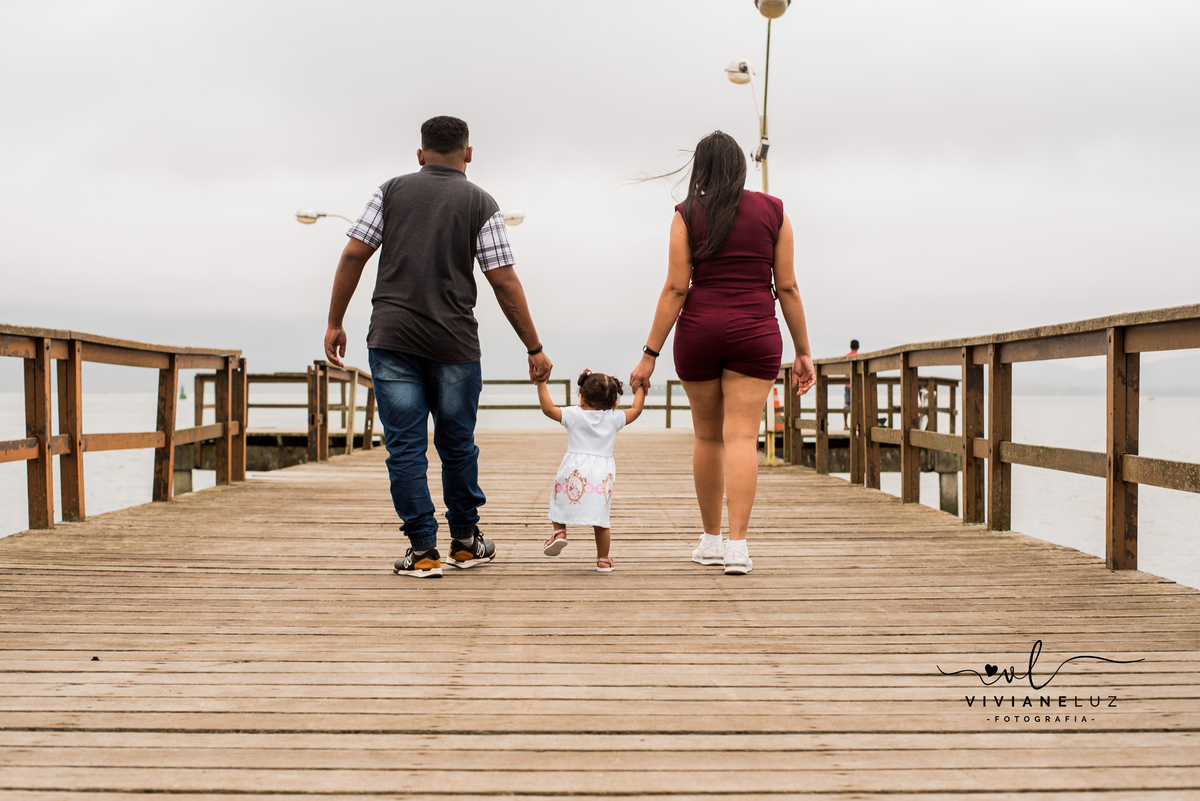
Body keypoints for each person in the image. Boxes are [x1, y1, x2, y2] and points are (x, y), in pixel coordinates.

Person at [323, 115, 552, 579]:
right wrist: (534, 346)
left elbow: (352, 253)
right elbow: (503, 280)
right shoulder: (481, 202)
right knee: (457, 444)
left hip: (392, 340)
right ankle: (466, 542)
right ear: (468, 153)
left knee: (405, 446)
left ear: (420, 154)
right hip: (454, 344)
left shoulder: (389, 191)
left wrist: (334, 322)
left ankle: (423, 551)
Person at [630, 131, 815, 576]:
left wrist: (649, 355)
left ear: (702, 169)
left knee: (708, 437)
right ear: (740, 166)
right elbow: (786, 286)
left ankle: (711, 541)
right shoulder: (774, 212)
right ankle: (738, 547)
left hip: (699, 332)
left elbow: (676, 288)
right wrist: (803, 351)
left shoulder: (686, 215)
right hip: (755, 332)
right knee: (740, 437)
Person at [537, 370, 646, 572]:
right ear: (614, 404)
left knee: (559, 500)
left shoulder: (574, 415)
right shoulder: (614, 419)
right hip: (601, 475)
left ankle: (560, 532)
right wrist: (640, 387)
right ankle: (603, 559)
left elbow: (548, 409)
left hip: (573, 471)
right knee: (601, 520)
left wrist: (541, 383)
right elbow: (637, 409)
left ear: (581, 399)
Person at [842, 339, 859, 430]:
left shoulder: (846, 357)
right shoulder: (860, 357)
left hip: (847, 384)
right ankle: (856, 425)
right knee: (857, 404)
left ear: (850, 346)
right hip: (857, 385)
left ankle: (845, 424)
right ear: (858, 347)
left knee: (846, 404)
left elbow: (845, 372)